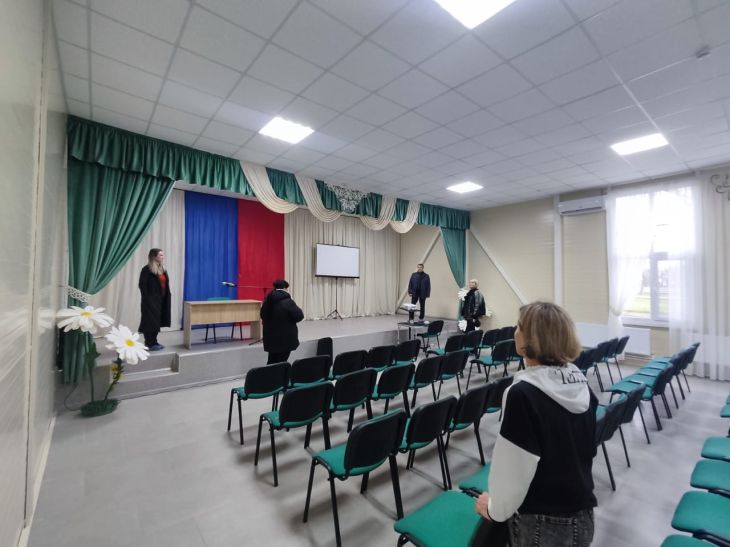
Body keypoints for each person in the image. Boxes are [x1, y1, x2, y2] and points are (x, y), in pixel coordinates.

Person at [474, 301, 597, 547]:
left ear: (531, 340)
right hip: (583, 515)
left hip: (542, 525)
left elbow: (513, 469)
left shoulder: (523, 394)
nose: (514, 332)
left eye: (519, 327)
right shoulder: (582, 385)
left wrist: (494, 508)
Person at [260, 279, 304, 364]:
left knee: (271, 361)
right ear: (284, 288)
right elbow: (299, 316)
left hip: (270, 338)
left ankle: (268, 373)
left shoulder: (267, 301)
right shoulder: (287, 301)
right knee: (282, 362)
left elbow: (263, 315)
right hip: (285, 339)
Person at [138, 248, 171, 351]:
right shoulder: (147, 269)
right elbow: (142, 285)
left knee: (157, 322)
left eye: (162, 255)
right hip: (150, 302)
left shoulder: (162, 270)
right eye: (160, 255)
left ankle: (154, 341)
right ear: (154, 256)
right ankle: (149, 343)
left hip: (161, 301)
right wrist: (148, 299)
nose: (162, 257)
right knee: (149, 322)